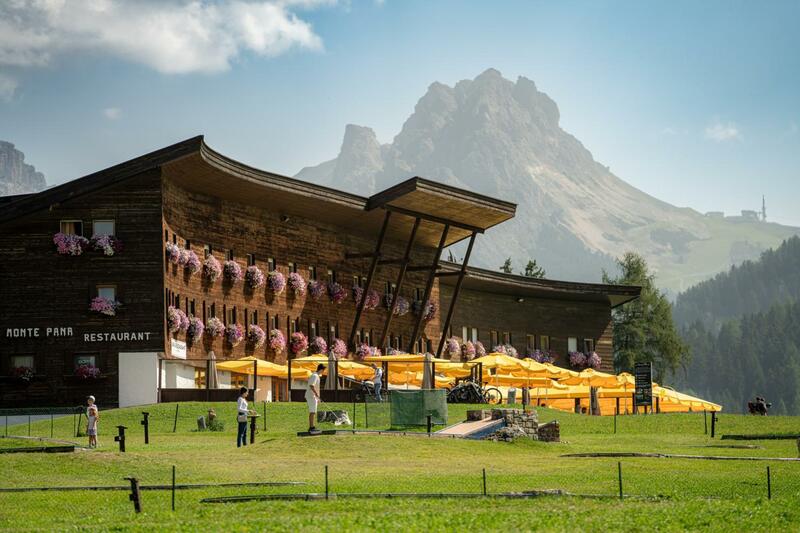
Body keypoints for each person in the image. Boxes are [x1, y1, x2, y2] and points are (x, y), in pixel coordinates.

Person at [306, 364, 324, 433]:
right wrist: (316, 394)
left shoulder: (316, 375)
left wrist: (317, 398)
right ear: (321, 369)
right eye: (323, 370)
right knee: (312, 411)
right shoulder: (315, 376)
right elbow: (311, 386)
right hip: (311, 396)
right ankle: (311, 427)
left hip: (313, 396)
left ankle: (312, 426)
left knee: (313, 411)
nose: (323, 372)